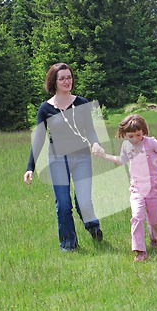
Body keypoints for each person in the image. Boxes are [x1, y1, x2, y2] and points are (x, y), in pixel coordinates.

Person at [24, 62, 104, 252]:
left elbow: (91, 131)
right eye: (62, 78)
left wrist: (96, 143)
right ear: (54, 82)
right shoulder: (45, 109)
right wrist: (30, 167)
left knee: (83, 201)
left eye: (69, 77)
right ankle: (68, 245)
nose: (67, 81)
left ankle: (93, 227)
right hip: (58, 159)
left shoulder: (82, 103)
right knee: (63, 204)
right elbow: (39, 139)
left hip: (82, 157)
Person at [94, 114, 157, 262]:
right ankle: (140, 251)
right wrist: (103, 155)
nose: (134, 139)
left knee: (154, 221)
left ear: (143, 132)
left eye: (138, 135)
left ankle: (156, 236)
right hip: (136, 189)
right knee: (137, 217)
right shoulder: (126, 146)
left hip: (154, 190)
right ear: (124, 135)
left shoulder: (151, 143)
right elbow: (120, 161)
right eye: (130, 136)